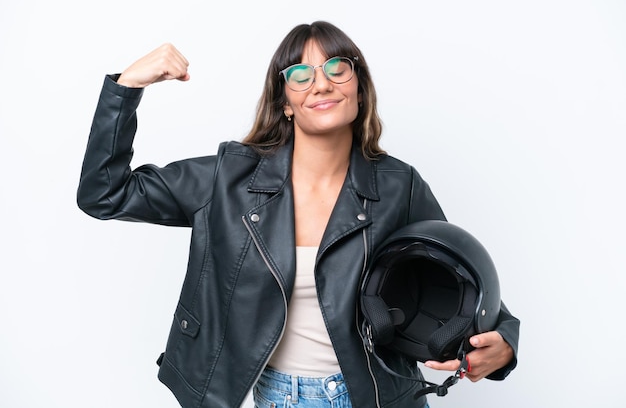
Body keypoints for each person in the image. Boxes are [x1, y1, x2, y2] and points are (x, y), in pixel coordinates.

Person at [77, 21, 519, 408]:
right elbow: (104, 193)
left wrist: (505, 344)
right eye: (301, 74)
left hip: (375, 397)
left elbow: (461, 278)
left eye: (336, 68)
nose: (321, 84)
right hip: (274, 397)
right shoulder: (226, 179)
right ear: (285, 102)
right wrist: (127, 86)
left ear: (358, 89)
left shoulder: (398, 185)